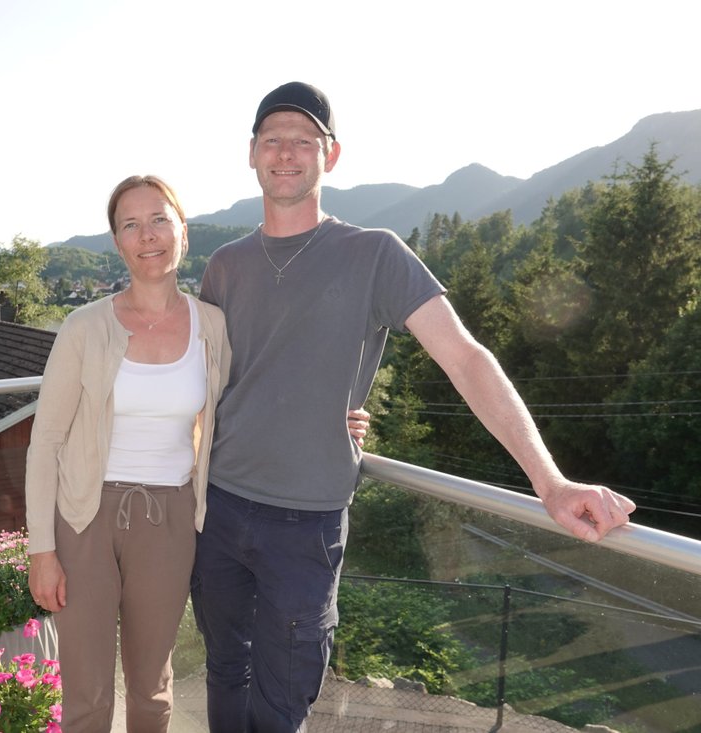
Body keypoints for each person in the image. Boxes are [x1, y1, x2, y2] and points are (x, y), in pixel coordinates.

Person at [191, 81, 638, 733]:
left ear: (330, 155)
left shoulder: (374, 253)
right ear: (252, 153)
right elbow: (207, 384)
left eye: (303, 140)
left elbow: (466, 358)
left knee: (283, 703)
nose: (286, 152)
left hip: (305, 524)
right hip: (218, 508)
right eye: (272, 139)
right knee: (225, 670)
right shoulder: (225, 266)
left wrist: (550, 481)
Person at [24, 175, 232, 732]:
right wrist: (42, 550)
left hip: (170, 519)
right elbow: (45, 442)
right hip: (84, 518)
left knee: (152, 687)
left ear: (183, 231)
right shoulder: (84, 327)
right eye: (131, 225)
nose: (148, 235)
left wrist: (339, 415)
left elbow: (246, 405)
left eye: (160, 219)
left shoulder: (212, 327)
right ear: (118, 242)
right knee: (87, 693)